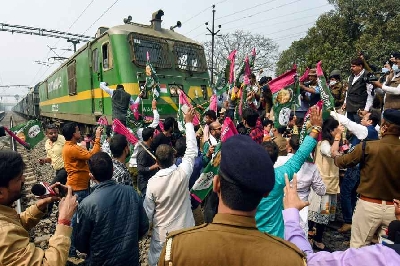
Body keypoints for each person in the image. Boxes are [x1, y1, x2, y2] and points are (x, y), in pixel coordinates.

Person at [158, 134, 306, 266]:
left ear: (216, 185)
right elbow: (297, 161)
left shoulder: (176, 249)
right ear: (265, 193)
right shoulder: (290, 259)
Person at [282, 174, 400, 266]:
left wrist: (291, 214)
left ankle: (316, 238)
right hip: (328, 190)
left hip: (319, 199)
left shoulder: (384, 256)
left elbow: (308, 260)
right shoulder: (388, 256)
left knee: (358, 244)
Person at [334, 109, 400, 248]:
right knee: (389, 254)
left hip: (368, 205)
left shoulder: (368, 147)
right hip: (394, 210)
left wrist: (335, 154)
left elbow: (342, 162)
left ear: (385, 127)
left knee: (358, 249)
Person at [0, 150, 77, 266]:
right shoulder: (3, 234)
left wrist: (41, 205)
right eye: (18, 179)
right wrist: (64, 221)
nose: (24, 180)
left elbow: (14, 224)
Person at [256, 105, 322, 238]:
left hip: (251, 238)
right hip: (275, 237)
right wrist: (316, 128)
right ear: (275, 159)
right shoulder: (279, 176)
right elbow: (300, 156)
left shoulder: (243, 177)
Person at [144, 108, 198, 266]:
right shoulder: (183, 173)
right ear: (174, 157)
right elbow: (192, 151)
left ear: (157, 162)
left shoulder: (152, 183)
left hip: (163, 236)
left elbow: (148, 213)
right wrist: (188, 123)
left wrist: (145, 230)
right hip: (185, 231)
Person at [74, 152, 149, 265]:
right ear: (113, 170)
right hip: (130, 260)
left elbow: (81, 244)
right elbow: (144, 227)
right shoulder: (131, 192)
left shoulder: (87, 204)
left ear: (92, 176)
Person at [331, 110, 379, 233]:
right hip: (357, 166)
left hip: (355, 167)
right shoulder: (366, 132)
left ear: (370, 121)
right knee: (351, 193)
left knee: (346, 192)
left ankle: (348, 221)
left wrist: (333, 113)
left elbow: (349, 123)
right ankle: (351, 219)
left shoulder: (367, 131)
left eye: (365, 118)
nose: (362, 119)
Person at [62, 122, 102, 257]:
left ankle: (77, 247)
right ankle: (72, 250)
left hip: (79, 186)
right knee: (76, 220)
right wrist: (97, 138)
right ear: (74, 134)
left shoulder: (70, 146)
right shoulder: (73, 148)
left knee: (78, 218)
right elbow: (93, 155)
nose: (80, 132)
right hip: (79, 189)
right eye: (78, 130)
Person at [274, 134, 326, 236]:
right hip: (301, 211)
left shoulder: (279, 161)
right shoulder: (312, 167)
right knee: (298, 241)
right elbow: (321, 191)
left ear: (290, 147)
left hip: (280, 208)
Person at [308, 118, 343, 251]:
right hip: (323, 185)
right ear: (330, 131)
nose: (338, 131)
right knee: (319, 213)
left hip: (328, 184)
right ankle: (315, 239)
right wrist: (338, 138)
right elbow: (331, 152)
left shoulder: (327, 142)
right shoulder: (323, 144)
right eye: (336, 129)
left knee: (323, 213)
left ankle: (315, 238)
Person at [343, 57, 374, 123]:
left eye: (353, 66)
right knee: (350, 130)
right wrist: (345, 102)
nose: (351, 68)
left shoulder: (367, 76)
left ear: (360, 66)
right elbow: (348, 92)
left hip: (360, 110)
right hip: (350, 108)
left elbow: (370, 95)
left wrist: (366, 109)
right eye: (351, 66)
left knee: (359, 129)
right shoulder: (351, 77)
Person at [137, 127, 159, 197]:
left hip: (150, 182)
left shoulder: (147, 148)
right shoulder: (143, 151)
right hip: (145, 184)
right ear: (150, 138)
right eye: (154, 135)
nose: (155, 137)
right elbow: (140, 169)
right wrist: (153, 167)